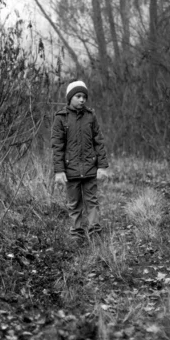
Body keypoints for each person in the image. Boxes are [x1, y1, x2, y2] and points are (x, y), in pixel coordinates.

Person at [51, 80, 109, 241]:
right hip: (71, 171)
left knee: (92, 201)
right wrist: (59, 170)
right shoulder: (61, 118)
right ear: (70, 98)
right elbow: (57, 147)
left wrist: (102, 166)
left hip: (90, 168)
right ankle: (76, 233)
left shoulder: (91, 116)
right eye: (78, 96)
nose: (82, 99)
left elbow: (99, 141)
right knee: (74, 203)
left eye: (84, 96)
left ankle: (95, 232)